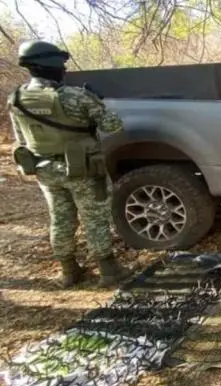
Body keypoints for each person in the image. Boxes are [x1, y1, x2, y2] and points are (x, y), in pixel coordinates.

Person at [8, 40, 130, 288]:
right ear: (52, 66)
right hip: (82, 168)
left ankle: (69, 271)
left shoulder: (17, 98)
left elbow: (22, 139)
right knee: (94, 217)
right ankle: (109, 270)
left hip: (44, 169)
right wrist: (96, 100)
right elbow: (113, 126)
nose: (64, 69)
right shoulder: (76, 97)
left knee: (60, 219)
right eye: (61, 65)